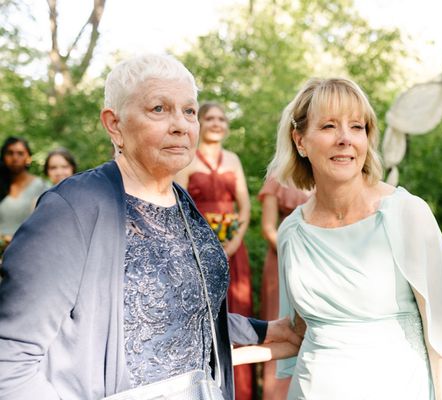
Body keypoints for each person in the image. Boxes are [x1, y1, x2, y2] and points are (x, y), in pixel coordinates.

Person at [0, 54, 300, 400]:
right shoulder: (73, 208)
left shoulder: (184, 205)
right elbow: (11, 359)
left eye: (189, 111)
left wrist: (268, 332)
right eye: (159, 109)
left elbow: (175, 314)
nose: (181, 125)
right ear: (114, 124)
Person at [267, 77, 442, 399]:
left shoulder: (406, 213)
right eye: (328, 126)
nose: (345, 139)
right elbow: (295, 334)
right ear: (300, 141)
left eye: (357, 127)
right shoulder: (292, 232)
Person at [175, 101, 255, 400]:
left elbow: (244, 206)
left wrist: (234, 242)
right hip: (196, 247)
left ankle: (242, 392)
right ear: (200, 122)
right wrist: (201, 244)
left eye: (222, 119)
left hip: (235, 247)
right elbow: (180, 203)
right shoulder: (186, 158)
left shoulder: (233, 159)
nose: (217, 123)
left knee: (238, 311)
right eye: (210, 118)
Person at [258, 177, 310, 399]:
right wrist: (292, 254)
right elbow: (268, 227)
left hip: (319, 262)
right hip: (283, 257)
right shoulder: (277, 179)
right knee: (282, 323)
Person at [0, 136, 49, 246]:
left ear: (28, 157)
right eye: (10, 153)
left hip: (28, 249)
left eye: (20, 153)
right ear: (3, 156)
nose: (15, 158)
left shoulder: (42, 186)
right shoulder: (1, 185)